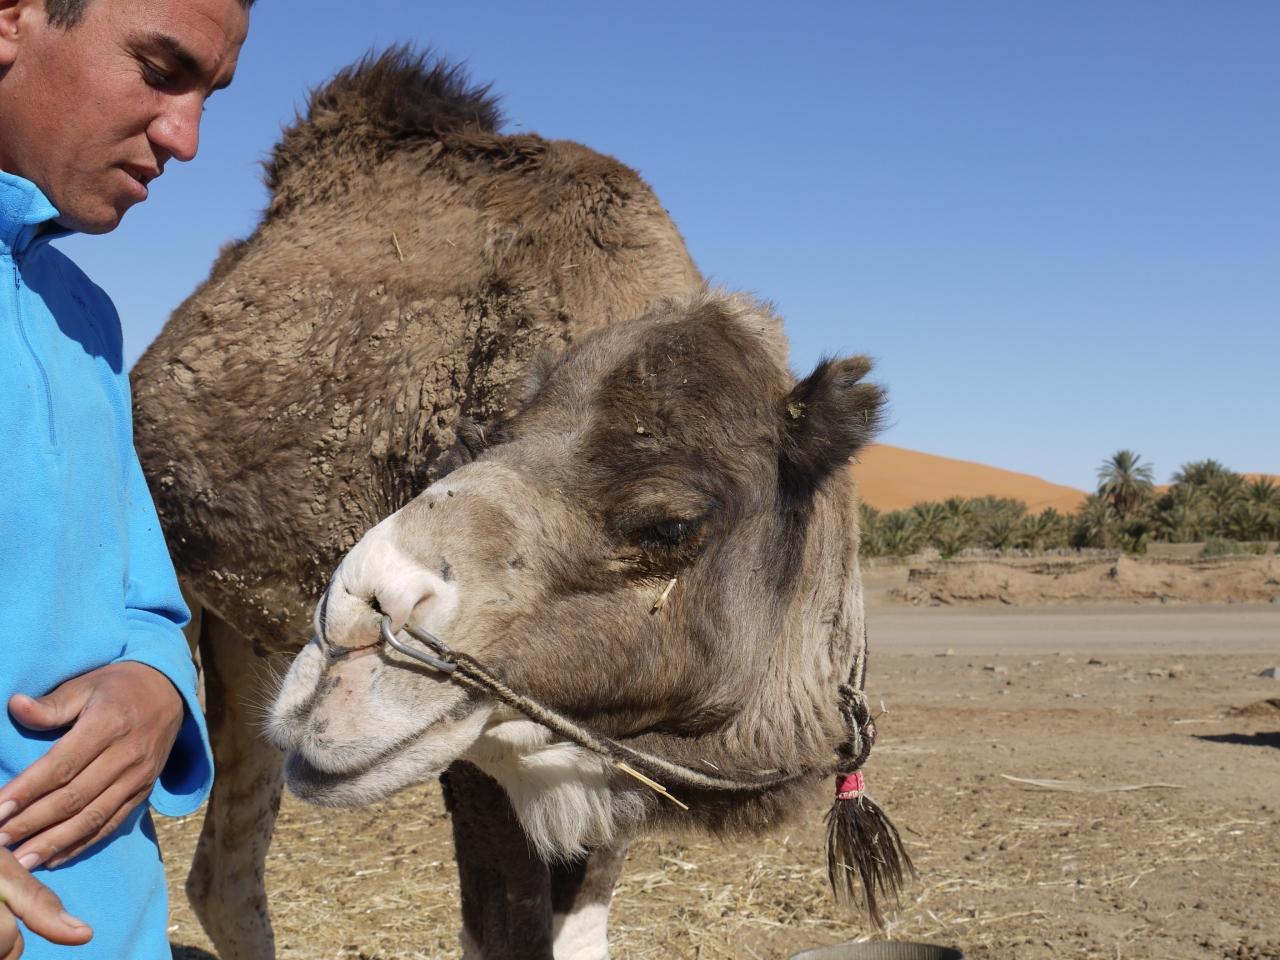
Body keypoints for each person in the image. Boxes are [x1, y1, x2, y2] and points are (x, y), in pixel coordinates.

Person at [0, 0, 251, 954]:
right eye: (159, 70)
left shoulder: (85, 319)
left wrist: (156, 686)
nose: (185, 139)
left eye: (208, 96)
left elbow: (145, 602)